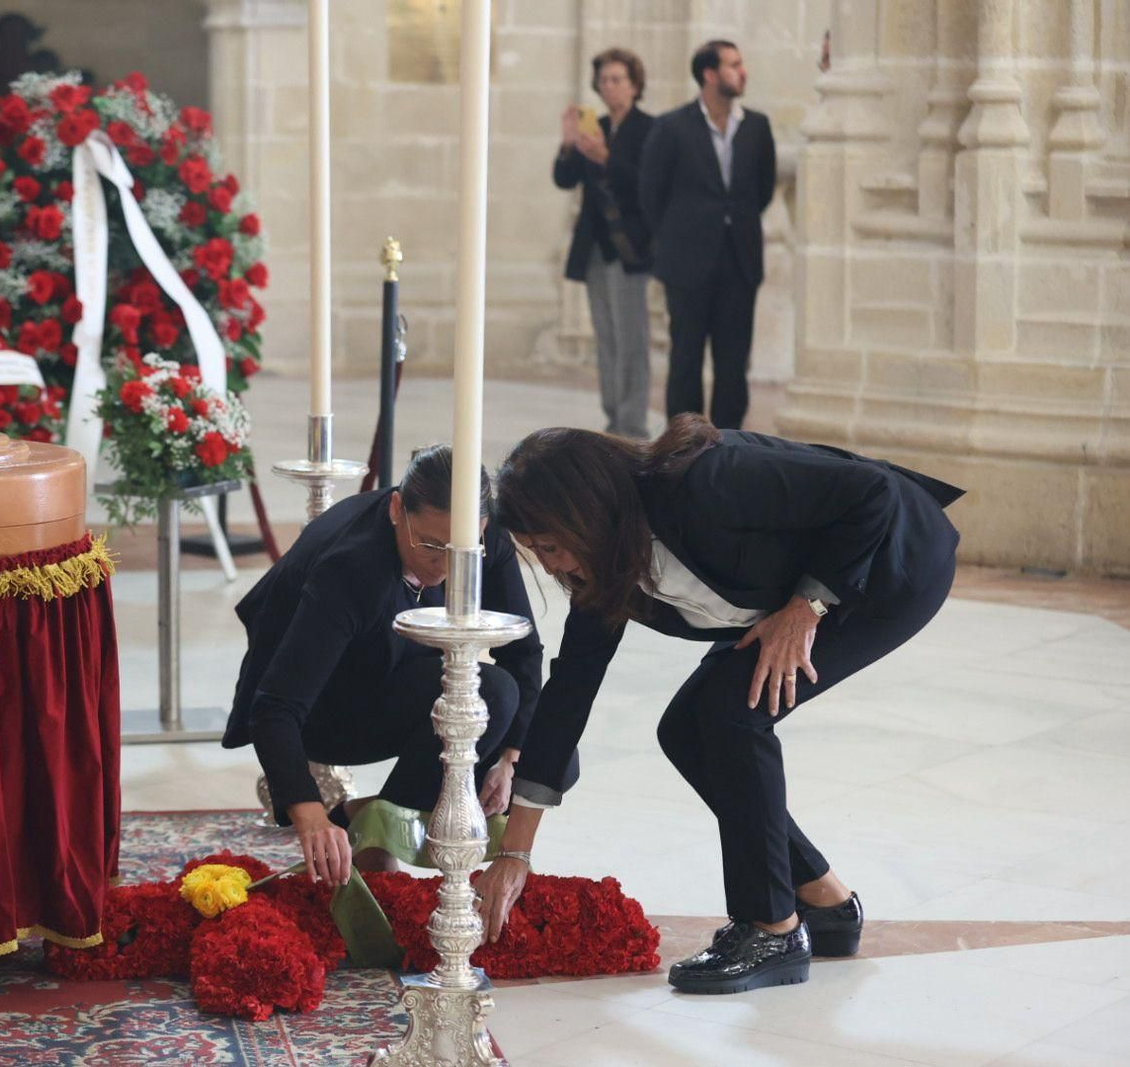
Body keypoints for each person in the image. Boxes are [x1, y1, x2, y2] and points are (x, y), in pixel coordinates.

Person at [473, 418, 963, 994]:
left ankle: (771, 929)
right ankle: (825, 902)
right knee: (685, 728)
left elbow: (872, 493)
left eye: (551, 547)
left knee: (733, 710)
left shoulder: (705, 482)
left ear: (585, 512)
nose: (550, 567)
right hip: (808, 589)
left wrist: (806, 608)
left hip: (889, 565)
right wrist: (516, 854)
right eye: (536, 553)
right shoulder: (605, 566)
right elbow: (570, 693)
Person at [222, 446, 544, 885]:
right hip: (324, 708)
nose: (446, 566)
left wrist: (509, 759)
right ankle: (374, 836)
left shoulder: (483, 538)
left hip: (397, 673)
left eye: (462, 550)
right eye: (431, 545)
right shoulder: (350, 568)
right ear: (396, 509)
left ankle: (370, 821)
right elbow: (275, 707)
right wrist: (311, 816)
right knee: (491, 696)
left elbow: (523, 652)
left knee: (520, 720)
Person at [638, 40, 776, 430]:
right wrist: (679, 236)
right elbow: (650, 193)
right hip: (687, 263)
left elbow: (762, 191)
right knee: (686, 359)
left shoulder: (757, 127)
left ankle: (731, 444)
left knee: (734, 362)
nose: (743, 71)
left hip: (740, 260)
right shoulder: (671, 127)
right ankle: (685, 444)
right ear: (710, 74)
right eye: (734, 65)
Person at [554, 48, 656, 439]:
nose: (609, 86)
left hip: (630, 246)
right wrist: (568, 144)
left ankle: (633, 422)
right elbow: (565, 179)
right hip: (594, 245)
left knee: (632, 337)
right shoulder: (593, 126)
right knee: (606, 336)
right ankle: (613, 417)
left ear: (634, 85)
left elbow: (647, 184)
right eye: (604, 80)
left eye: (617, 79)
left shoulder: (649, 128)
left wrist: (606, 157)